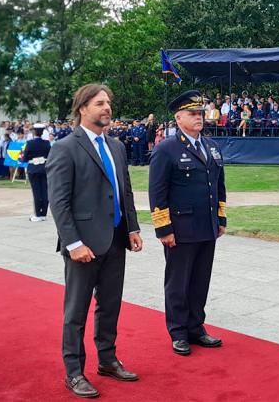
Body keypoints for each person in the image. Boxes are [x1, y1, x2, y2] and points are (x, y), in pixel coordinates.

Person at [46, 84, 143, 398]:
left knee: (110, 305)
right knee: (76, 311)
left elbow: (124, 190)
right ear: (82, 108)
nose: (107, 108)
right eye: (100, 103)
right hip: (83, 246)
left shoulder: (116, 146)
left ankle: (107, 360)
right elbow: (59, 202)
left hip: (115, 239)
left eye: (109, 103)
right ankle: (74, 372)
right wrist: (73, 244)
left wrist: (132, 228)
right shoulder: (65, 147)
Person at [148, 90, 226, 357]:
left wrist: (221, 218)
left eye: (201, 113)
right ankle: (178, 331)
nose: (198, 118)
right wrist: (163, 228)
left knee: (200, 280)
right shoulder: (166, 149)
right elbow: (157, 192)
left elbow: (219, 186)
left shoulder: (212, 146)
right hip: (180, 229)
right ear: (178, 118)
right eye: (193, 113)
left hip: (207, 226)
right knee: (178, 282)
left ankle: (196, 327)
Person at [21, 123, 51, 222]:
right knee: (45, 191)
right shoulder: (47, 143)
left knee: (36, 191)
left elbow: (25, 158)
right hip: (44, 168)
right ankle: (43, 214)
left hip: (33, 168)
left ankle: (37, 214)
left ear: (34, 131)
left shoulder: (30, 143)